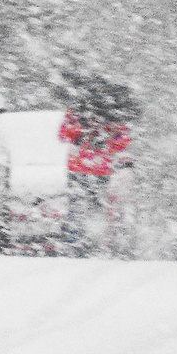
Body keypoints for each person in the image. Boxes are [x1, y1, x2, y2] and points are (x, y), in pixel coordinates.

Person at [55, 74, 137, 255]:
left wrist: (80, 134)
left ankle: (75, 242)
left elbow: (62, 135)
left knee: (76, 206)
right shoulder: (113, 116)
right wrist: (106, 141)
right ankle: (98, 242)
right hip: (101, 168)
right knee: (98, 206)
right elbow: (123, 142)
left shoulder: (76, 112)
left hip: (77, 166)